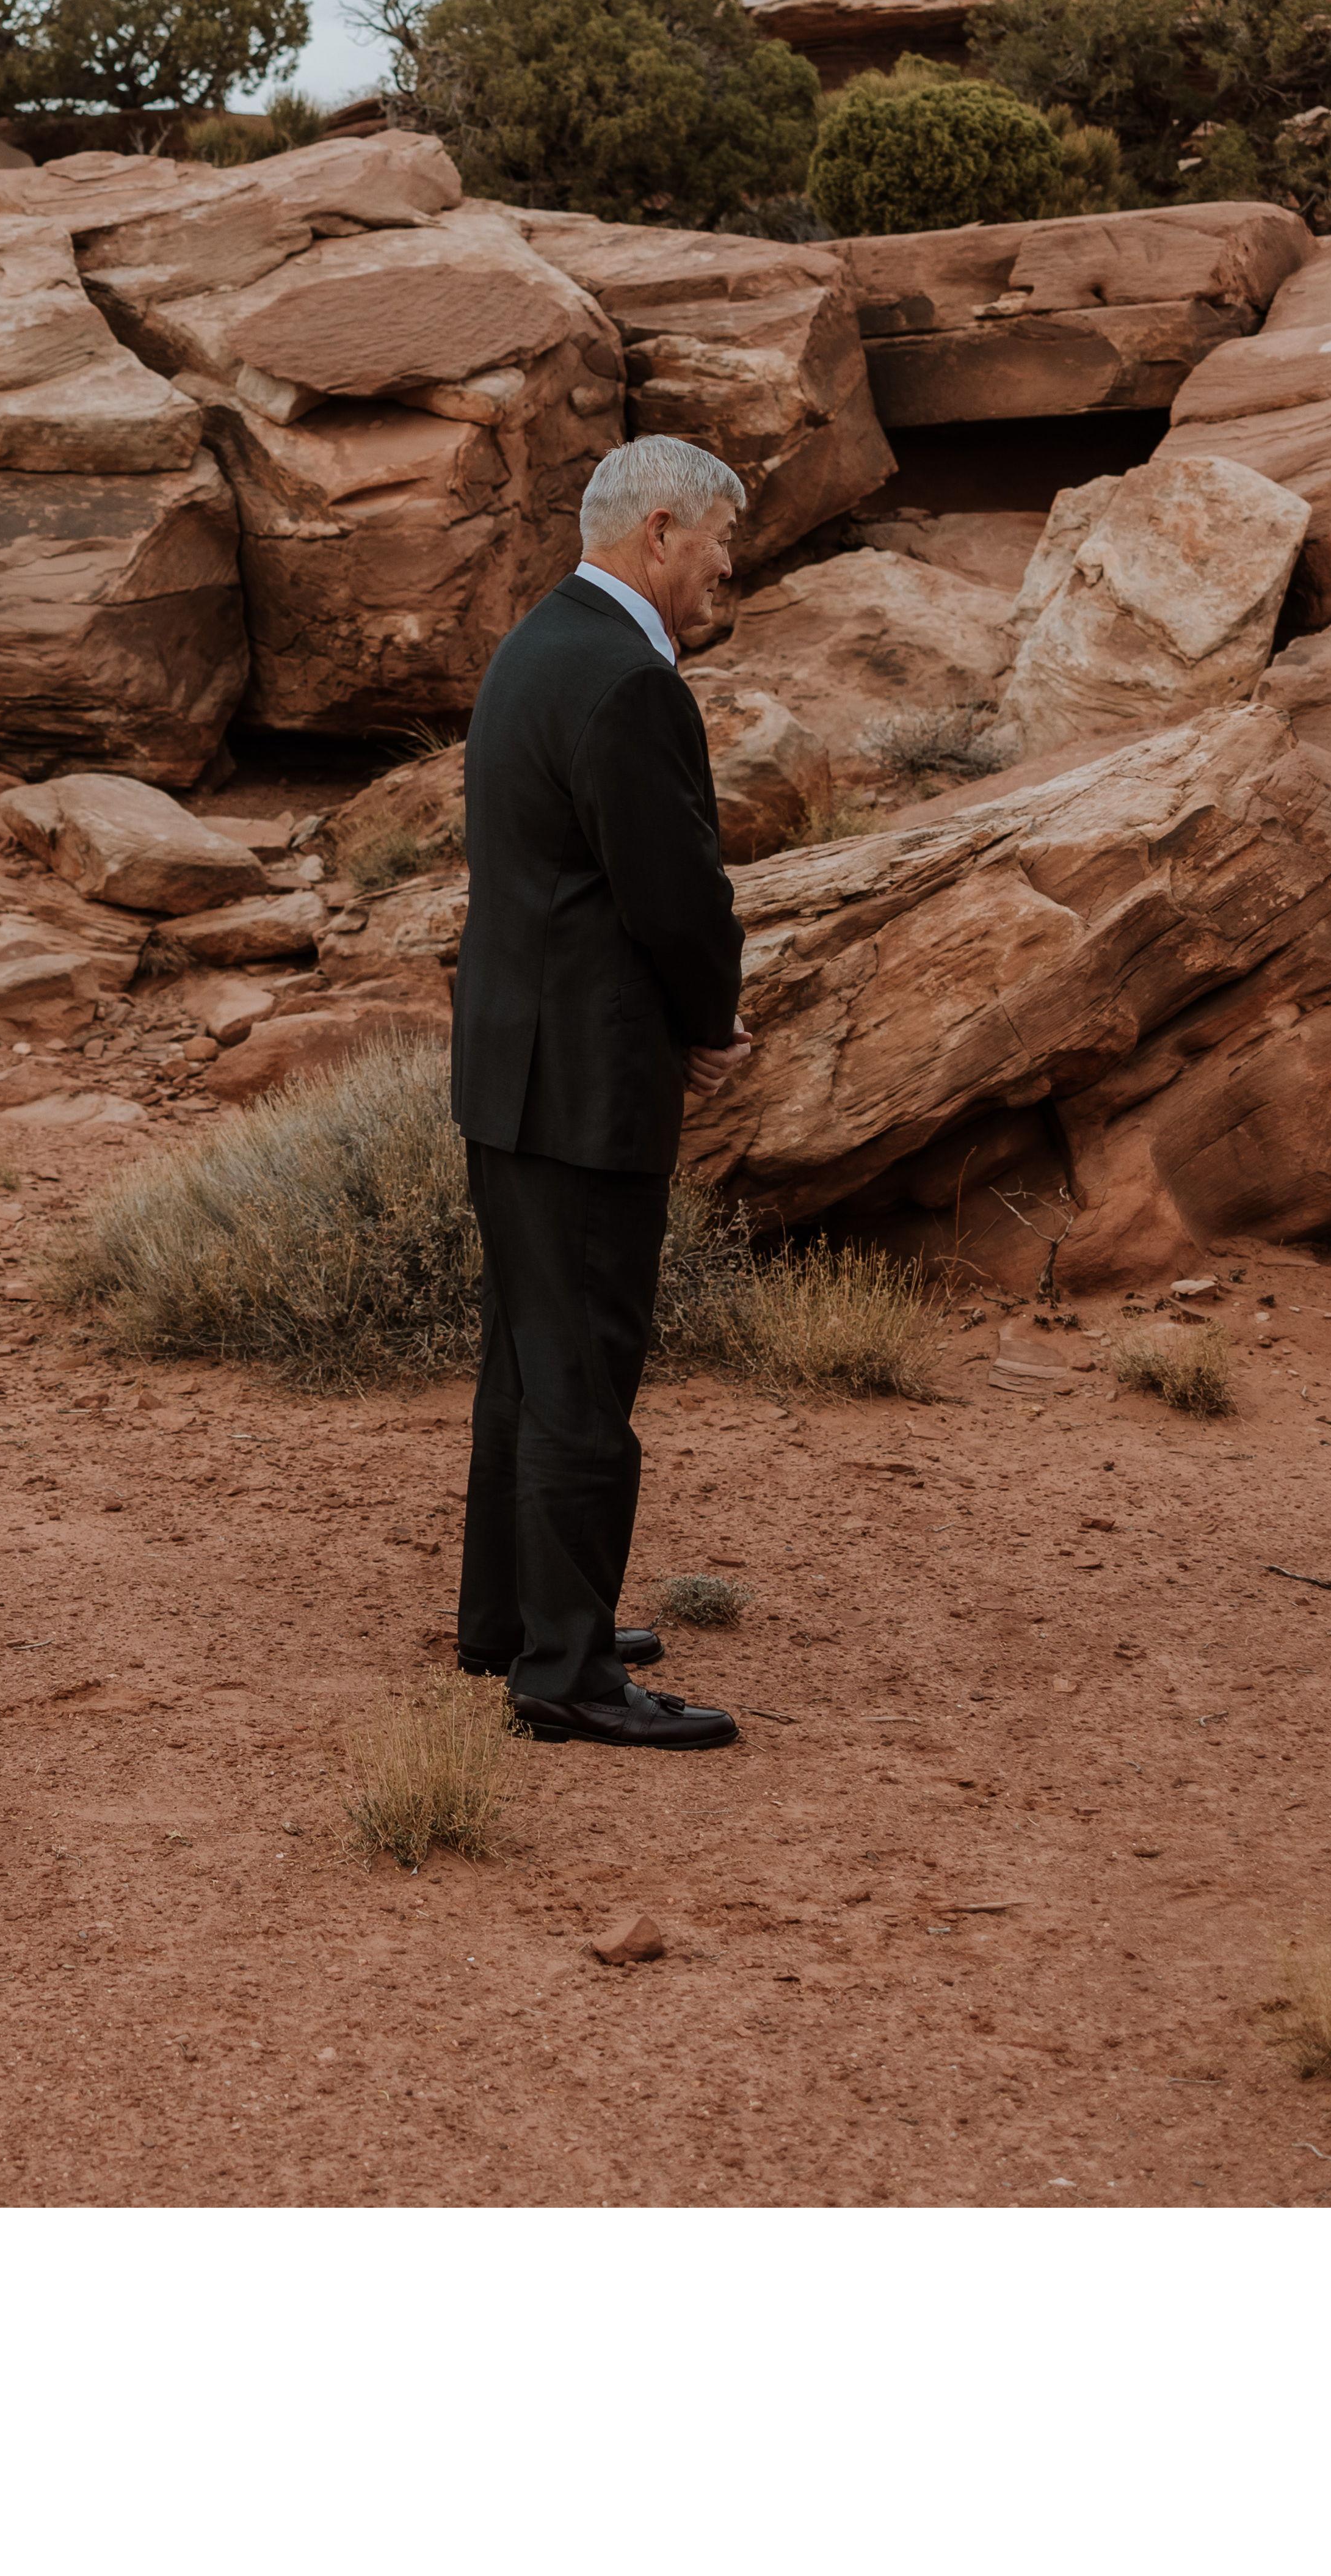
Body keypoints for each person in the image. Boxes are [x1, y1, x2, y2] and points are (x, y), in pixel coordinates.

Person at [448, 434, 753, 1752]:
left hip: (512, 1068)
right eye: (720, 541)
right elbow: (672, 889)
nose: (727, 566)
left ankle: (512, 1615)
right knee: (582, 1368)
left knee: (528, 1356)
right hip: (585, 1080)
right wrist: (710, 1020)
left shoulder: (536, 643)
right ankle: (564, 1672)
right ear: (660, 530)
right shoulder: (629, 680)